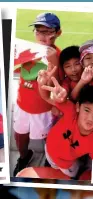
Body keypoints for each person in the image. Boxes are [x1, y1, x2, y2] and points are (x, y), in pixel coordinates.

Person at [13, 12, 62, 176]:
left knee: (49, 138)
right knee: (19, 134)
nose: (42, 35)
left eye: (48, 31)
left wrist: (53, 60)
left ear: (58, 33)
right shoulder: (25, 50)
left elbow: (55, 85)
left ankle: (50, 160)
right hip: (22, 104)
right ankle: (24, 156)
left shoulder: (59, 56)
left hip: (44, 109)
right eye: (39, 30)